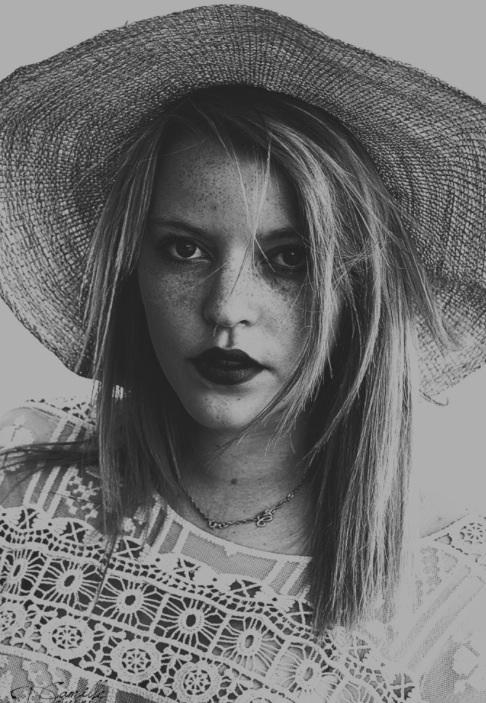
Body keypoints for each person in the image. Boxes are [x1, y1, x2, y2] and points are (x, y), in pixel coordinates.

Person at [0, 5, 485, 702]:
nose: (227, 308)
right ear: (132, 266)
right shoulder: (19, 473)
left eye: (289, 259)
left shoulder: (450, 606)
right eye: (184, 249)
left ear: (359, 288)